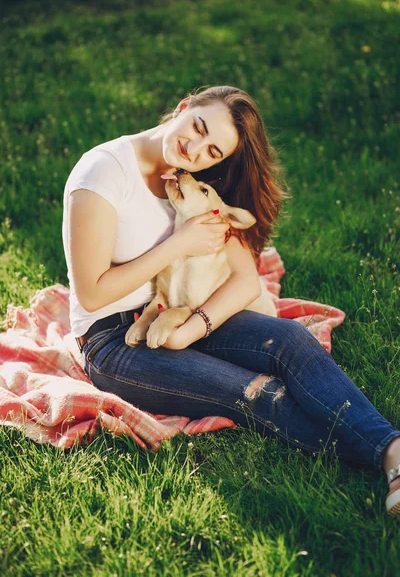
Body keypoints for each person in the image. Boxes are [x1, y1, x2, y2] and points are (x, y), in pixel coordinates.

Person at [62, 85, 400, 515]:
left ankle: (393, 451)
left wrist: (193, 327)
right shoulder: (103, 174)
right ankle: (378, 460)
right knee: (256, 393)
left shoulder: (195, 180)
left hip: (183, 313)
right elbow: (91, 294)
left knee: (291, 340)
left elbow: (245, 280)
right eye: (198, 127)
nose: (196, 149)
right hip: (114, 342)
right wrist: (180, 244)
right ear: (183, 108)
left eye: (213, 151)